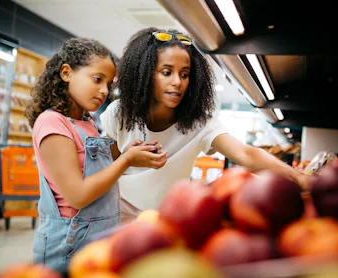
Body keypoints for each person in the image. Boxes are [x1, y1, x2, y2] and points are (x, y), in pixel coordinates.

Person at [100, 27, 311, 223]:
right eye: (167, 72)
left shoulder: (200, 124)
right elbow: (103, 169)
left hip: (164, 219)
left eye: (184, 74)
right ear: (144, 74)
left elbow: (246, 154)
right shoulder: (119, 113)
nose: (177, 82)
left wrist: (298, 178)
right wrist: (128, 159)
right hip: (113, 213)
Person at [25, 37, 167, 272]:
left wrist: (127, 151)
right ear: (66, 73)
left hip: (96, 238)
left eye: (109, 84)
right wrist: (125, 161)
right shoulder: (52, 122)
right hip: (68, 243)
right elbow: (77, 196)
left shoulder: (86, 122)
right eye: (97, 79)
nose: (104, 91)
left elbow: (99, 167)